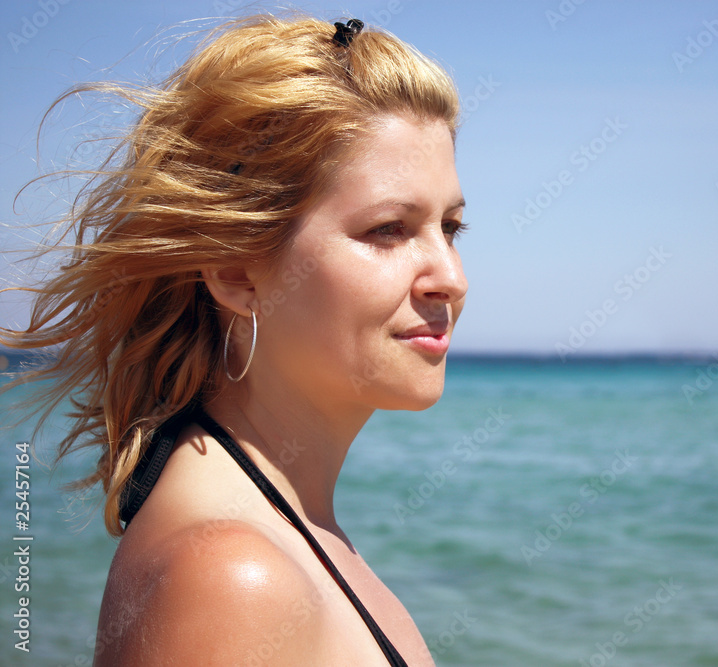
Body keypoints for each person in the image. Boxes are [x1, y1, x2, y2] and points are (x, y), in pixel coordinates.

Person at [1, 13, 467, 666]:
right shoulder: (232, 576)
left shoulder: (284, 529)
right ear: (235, 272)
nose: (450, 276)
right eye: (388, 229)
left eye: (450, 227)